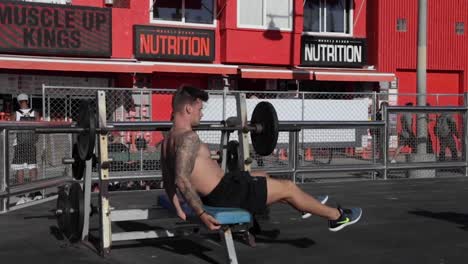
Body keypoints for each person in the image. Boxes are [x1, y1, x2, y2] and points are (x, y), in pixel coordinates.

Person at [160, 86, 362, 232]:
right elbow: (180, 179)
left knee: (264, 175)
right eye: (199, 109)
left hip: (226, 185)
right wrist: (202, 215)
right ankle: (336, 217)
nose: (201, 113)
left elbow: (168, 178)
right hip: (226, 193)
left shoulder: (169, 139)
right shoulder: (188, 138)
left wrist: (178, 207)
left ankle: (305, 204)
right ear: (187, 109)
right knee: (289, 188)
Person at [11, 93, 42, 204]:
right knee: (32, 167)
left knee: (20, 168)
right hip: (31, 143)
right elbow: (39, 128)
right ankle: (35, 192)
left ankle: (22, 195)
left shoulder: (15, 114)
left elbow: (12, 129)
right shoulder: (35, 113)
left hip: (19, 144)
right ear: (27, 101)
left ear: (19, 102)